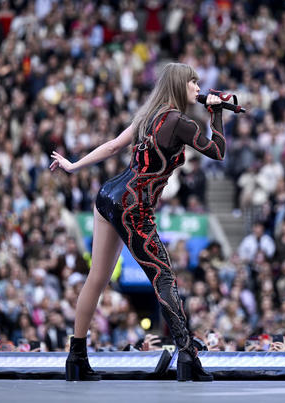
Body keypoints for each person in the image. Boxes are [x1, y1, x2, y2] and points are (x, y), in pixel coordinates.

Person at [50, 63, 229, 381]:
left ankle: (76, 358)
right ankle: (187, 357)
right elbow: (217, 151)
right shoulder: (179, 122)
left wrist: (74, 166)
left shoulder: (149, 115)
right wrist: (217, 114)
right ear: (179, 84)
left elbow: (113, 146)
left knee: (97, 278)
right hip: (133, 208)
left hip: (108, 195)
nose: (198, 88)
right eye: (193, 82)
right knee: (164, 279)